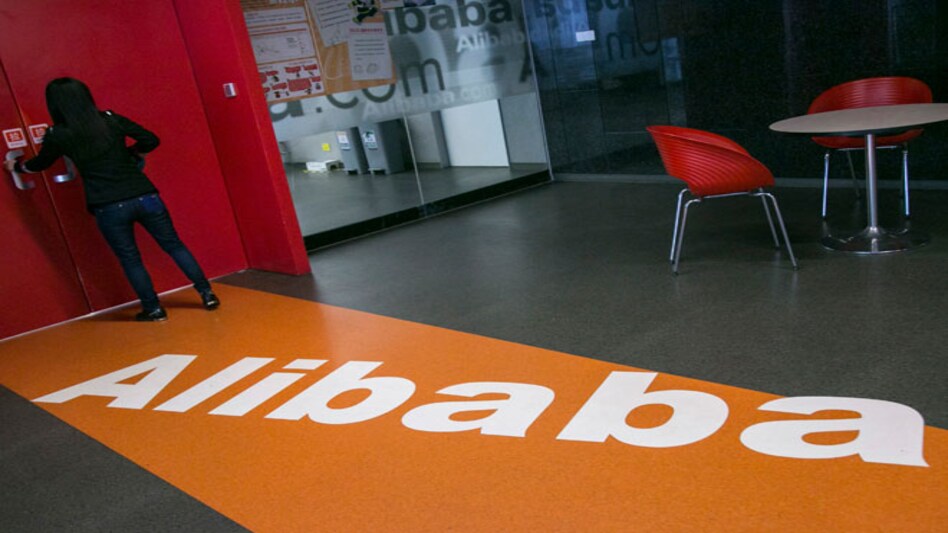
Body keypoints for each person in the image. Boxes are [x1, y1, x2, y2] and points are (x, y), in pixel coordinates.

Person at [4, 77, 219, 322]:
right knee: (174, 245)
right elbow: (151, 139)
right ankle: (207, 293)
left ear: (55, 104)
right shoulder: (110, 119)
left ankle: (154, 309)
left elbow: (40, 163)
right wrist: (131, 153)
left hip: (108, 205)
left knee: (130, 259)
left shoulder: (58, 135)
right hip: (144, 195)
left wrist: (16, 166)